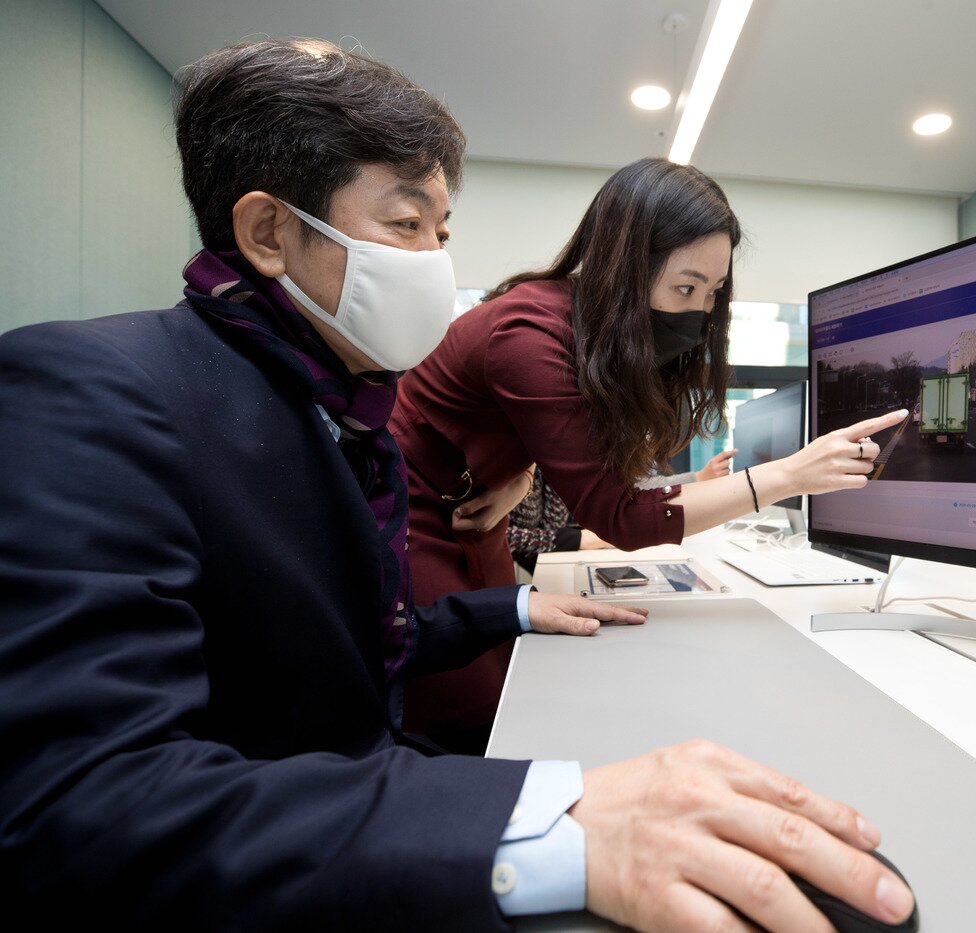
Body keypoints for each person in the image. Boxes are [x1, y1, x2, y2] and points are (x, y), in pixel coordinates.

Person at [0, 38, 915, 932]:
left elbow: (348, 639)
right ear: (270, 232)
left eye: (442, 231)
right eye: (406, 225)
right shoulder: (91, 389)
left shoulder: (342, 413)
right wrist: (557, 821)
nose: (436, 261)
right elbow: (74, 802)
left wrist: (506, 610)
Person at [391, 158, 905, 738]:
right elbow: (621, 518)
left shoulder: (584, 327)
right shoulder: (529, 335)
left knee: (508, 683)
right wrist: (787, 476)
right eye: (685, 287)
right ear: (623, 270)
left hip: (475, 507)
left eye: (712, 292)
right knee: (464, 708)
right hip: (413, 513)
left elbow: (532, 427)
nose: (699, 312)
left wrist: (521, 473)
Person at [509, 450, 737, 576]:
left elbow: (553, 523)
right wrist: (578, 539)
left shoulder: (545, 462)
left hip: (547, 560)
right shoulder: (512, 467)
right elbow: (636, 488)